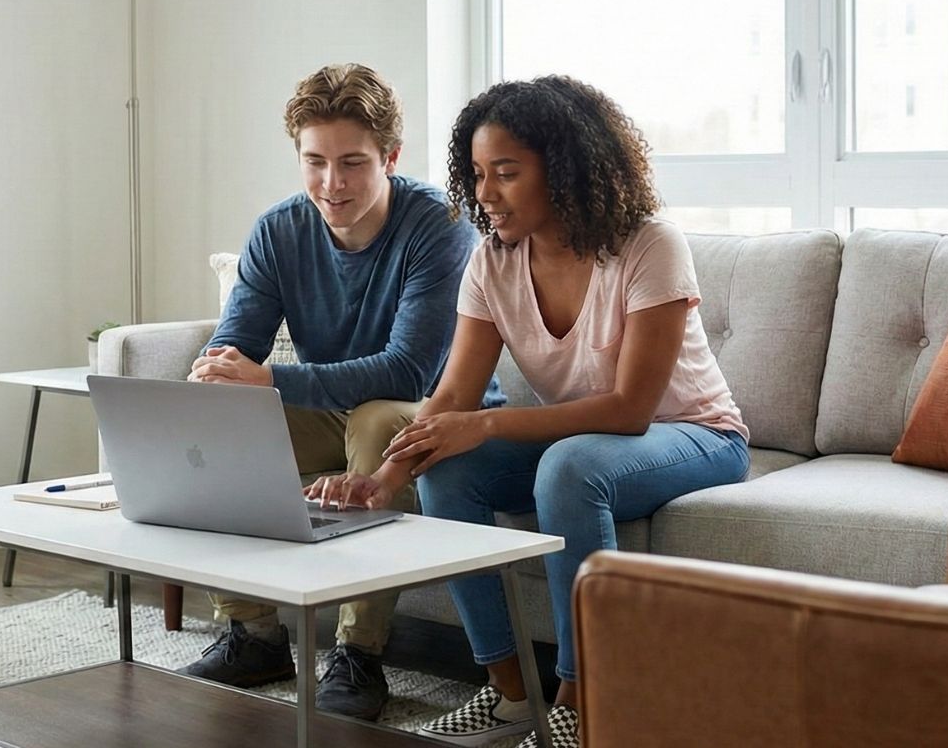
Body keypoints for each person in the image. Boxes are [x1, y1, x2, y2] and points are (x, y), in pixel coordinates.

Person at [307, 76, 749, 748]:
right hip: (587, 439)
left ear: (565, 169)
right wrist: (385, 481)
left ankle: (581, 704)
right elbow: (452, 398)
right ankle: (511, 696)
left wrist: (485, 424)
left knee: (568, 470)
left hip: (694, 435)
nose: (485, 194)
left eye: (507, 173)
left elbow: (631, 409)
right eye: (479, 174)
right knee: (449, 472)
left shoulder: (649, 244)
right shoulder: (493, 261)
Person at [181, 62, 504, 721]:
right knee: (219, 414)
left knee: (379, 419)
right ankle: (254, 635)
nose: (332, 184)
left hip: (434, 412)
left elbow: (409, 371)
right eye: (315, 162)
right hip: (334, 410)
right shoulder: (279, 230)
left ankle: (358, 653)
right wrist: (215, 373)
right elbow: (235, 342)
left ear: (391, 155)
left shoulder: (440, 227)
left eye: (353, 162)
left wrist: (269, 378)